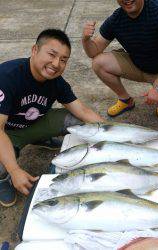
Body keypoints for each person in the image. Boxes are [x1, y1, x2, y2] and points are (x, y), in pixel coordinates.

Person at [0, 29, 104, 207]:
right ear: (34, 50)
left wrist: (115, 131)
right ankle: (2, 180)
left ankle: (40, 137)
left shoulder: (57, 82)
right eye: (52, 54)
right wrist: (14, 170)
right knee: (2, 166)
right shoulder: (7, 76)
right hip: (7, 133)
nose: (56, 64)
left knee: (79, 122)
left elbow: (83, 111)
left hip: (34, 122)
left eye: (63, 60)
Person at [82, 0, 158, 118]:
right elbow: (93, 51)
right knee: (98, 62)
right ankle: (125, 100)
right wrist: (86, 40)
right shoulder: (116, 19)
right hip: (138, 65)